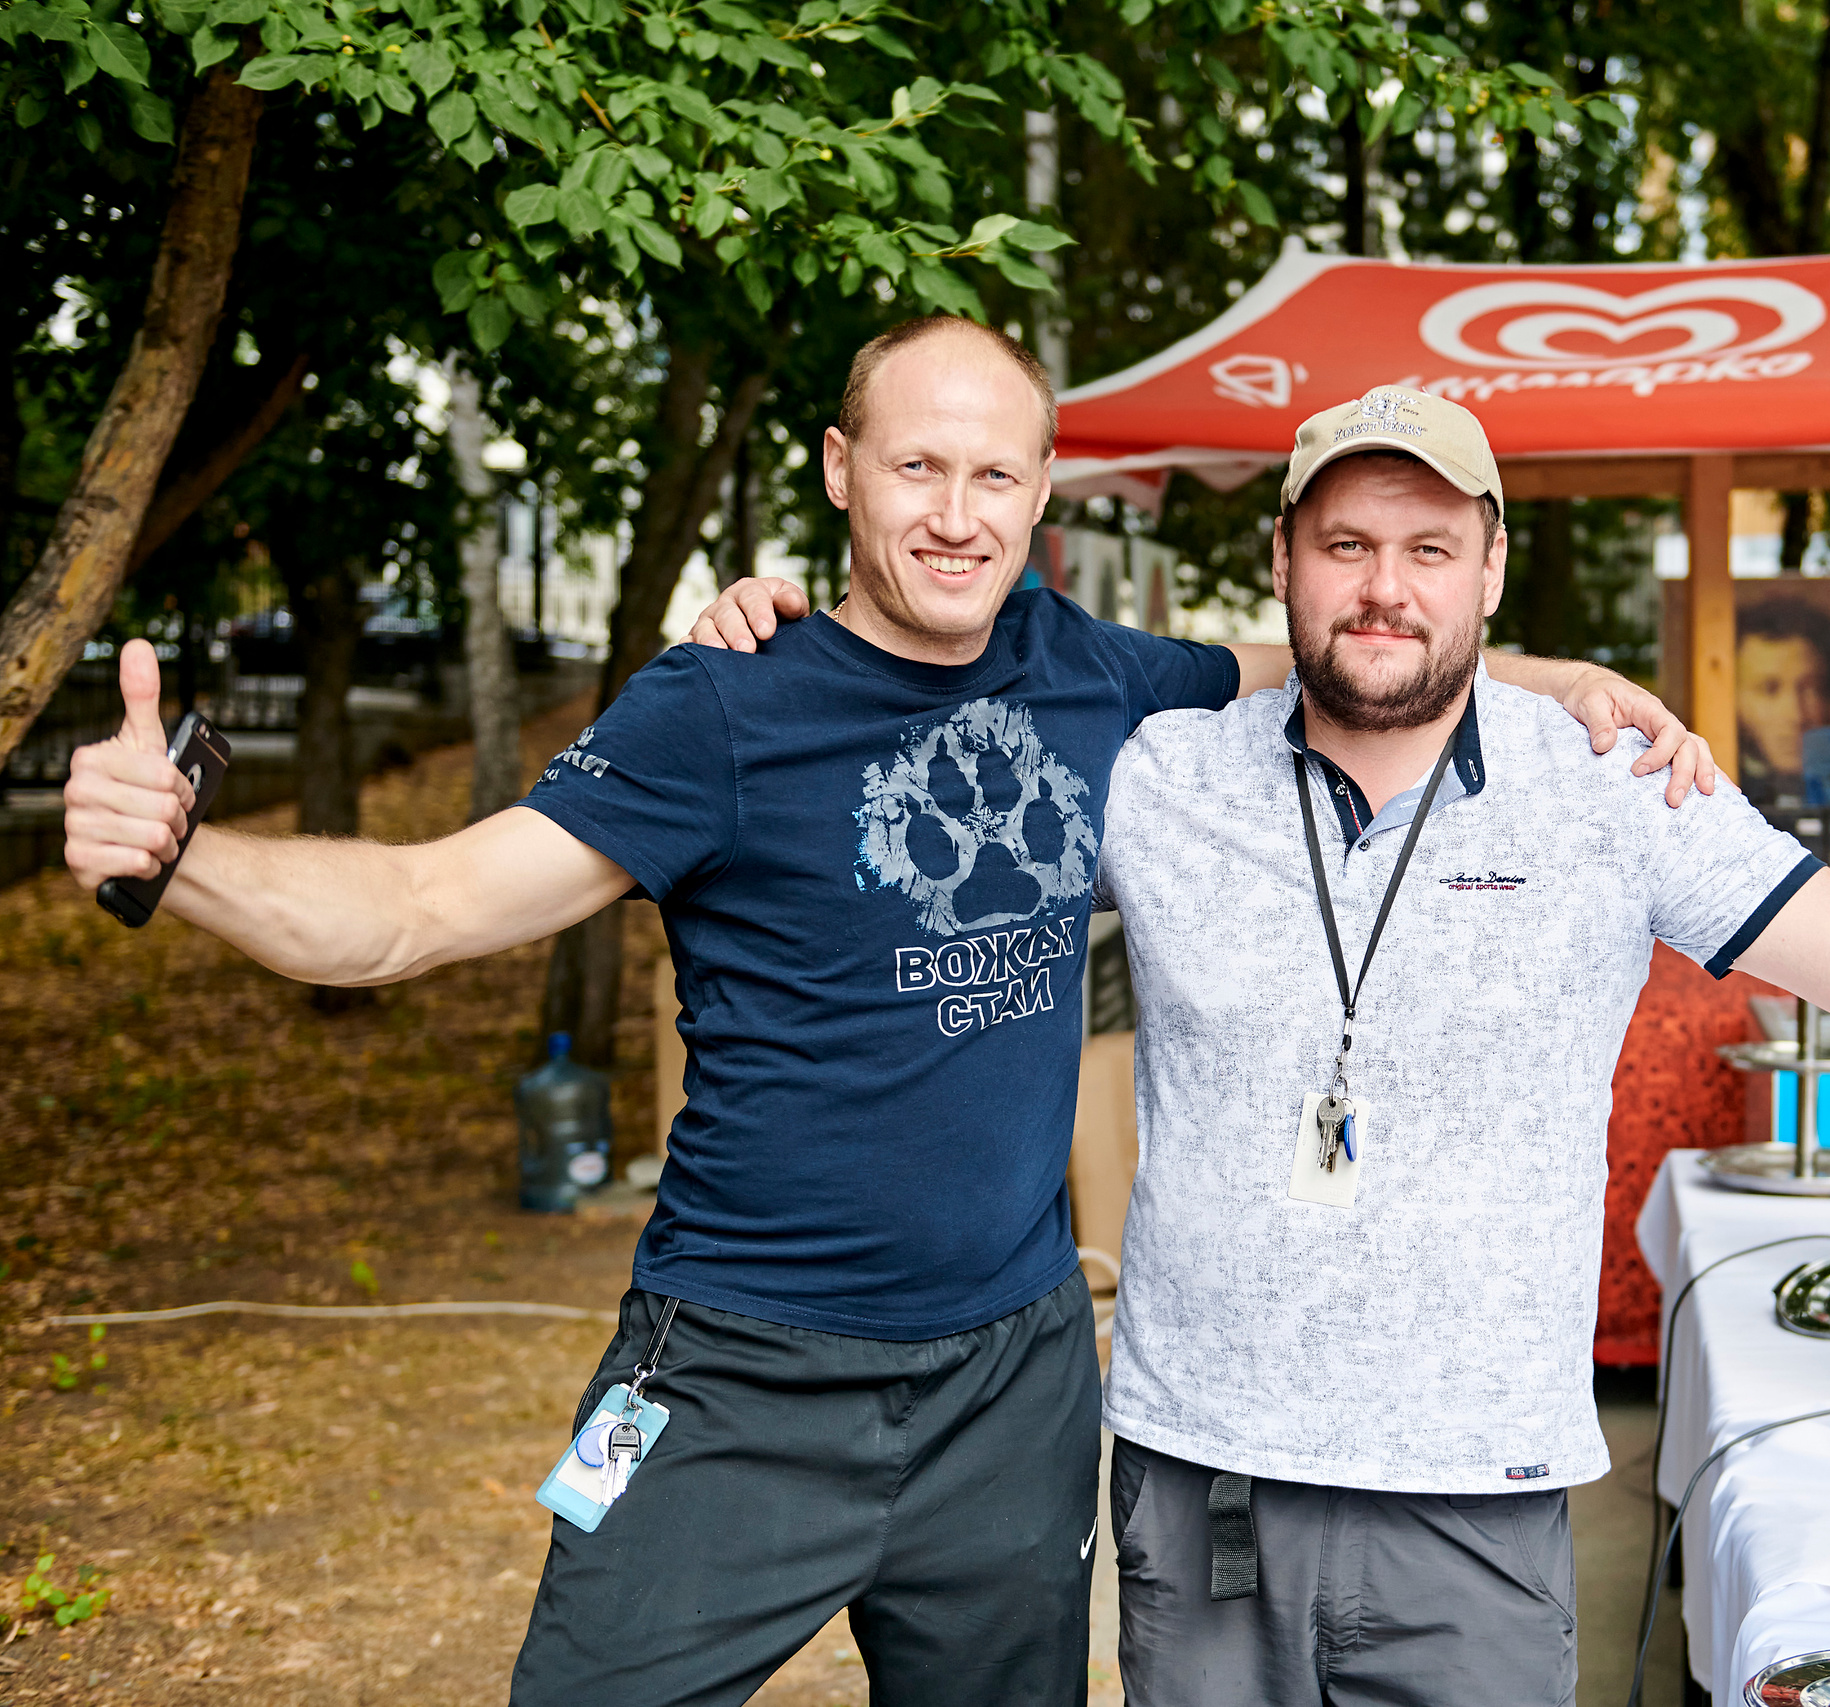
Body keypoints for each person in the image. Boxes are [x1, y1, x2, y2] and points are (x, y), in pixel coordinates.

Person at [58, 321, 1717, 1707]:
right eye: (918, 467)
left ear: (1040, 493)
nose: (956, 514)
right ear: (841, 470)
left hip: (1012, 1385)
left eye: (994, 475)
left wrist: (1560, 683)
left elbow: (1333, 657)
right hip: (725, 1382)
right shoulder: (723, 703)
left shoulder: (1088, 671)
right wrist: (180, 854)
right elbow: (417, 907)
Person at [693, 385, 1830, 1707]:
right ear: (1283, 560)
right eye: (1347, 543)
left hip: (1477, 1499)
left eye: (1431, 549)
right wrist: (788, 637)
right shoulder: (1163, 771)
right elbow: (904, 767)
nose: (1386, 586)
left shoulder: (1609, 788)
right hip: (1207, 1491)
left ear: (1492, 570)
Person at [1733, 593, 1830, 813]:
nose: (1795, 715)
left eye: (1811, 688)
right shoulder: (1711, 791)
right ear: (1733, 699)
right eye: (1769, 689)